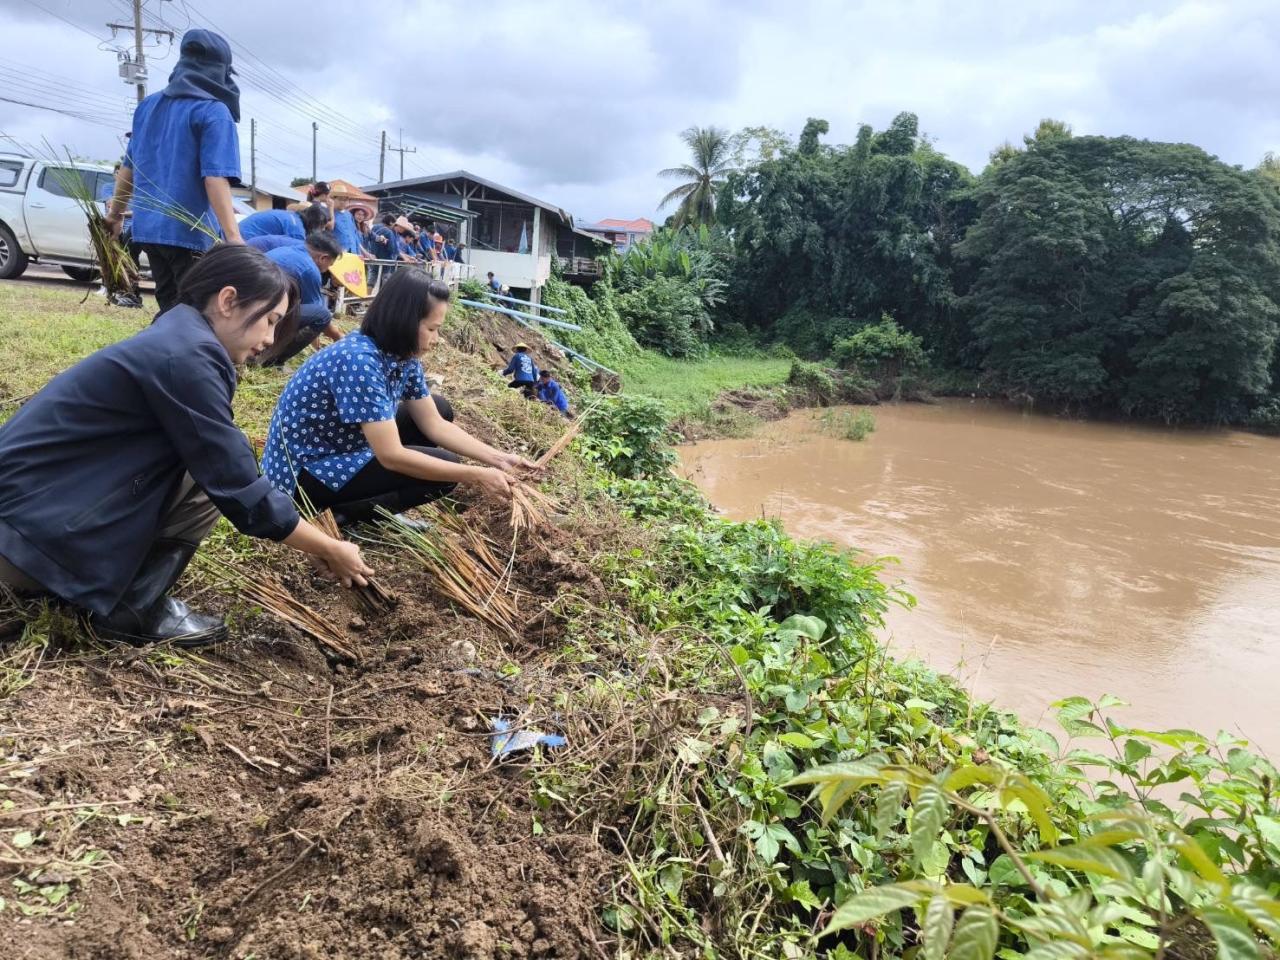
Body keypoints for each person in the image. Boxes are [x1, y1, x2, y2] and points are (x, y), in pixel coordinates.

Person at [0, 246, 372, 648]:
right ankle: (131, 608)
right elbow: (238, 485)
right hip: (23, 538)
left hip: (21, 518)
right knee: (207, 473)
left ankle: (101, 587)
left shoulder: (178, 335)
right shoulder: (186, 358)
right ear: (228, 300)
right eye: (269, 320)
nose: (268, 338)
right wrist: (328, 546)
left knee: (207, 458)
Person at [261, 270, 538, 527]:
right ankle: (346, 514)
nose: (437, 338)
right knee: (445, 473)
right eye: (431, 329)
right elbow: (391, 455)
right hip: (304, 473)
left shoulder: (402, 357)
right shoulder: (358, 361)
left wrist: (499, 459)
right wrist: (476, 475)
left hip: (342, 444)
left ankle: (371, 499)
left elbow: (434, 424)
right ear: (404, 321)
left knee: (440, 409)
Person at [104, 29, 244, 315]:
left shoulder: (148, 106)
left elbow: (129, 170)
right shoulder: (214, 111)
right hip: (189, 234)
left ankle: (160, 353)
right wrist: (234, 239)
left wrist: (115, 216)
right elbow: (215, 178)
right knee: (194, 316)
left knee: (170, 308)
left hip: (150, 232)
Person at [258, 231, 346, 365]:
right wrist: (338, 336)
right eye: (330, 265)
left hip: (253, 306)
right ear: (323, 258)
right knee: (323, 315)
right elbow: (319, 315)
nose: (327, 269)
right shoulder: (309, 269)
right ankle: (272, 360)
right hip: (265, 312)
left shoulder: (285, 250)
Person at [239, 203, 329, 243]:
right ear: (315, 223)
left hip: (237, 233)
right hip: (242, 241)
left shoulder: (292, 215)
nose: (323, 230)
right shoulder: (296, 231)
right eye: (322, 226)